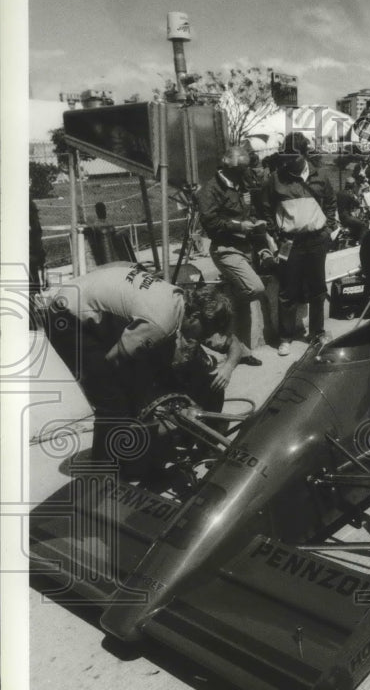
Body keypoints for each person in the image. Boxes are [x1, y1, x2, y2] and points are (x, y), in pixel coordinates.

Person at [43, 262, 253, 474]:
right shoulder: (161, 323)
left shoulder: (178, 299)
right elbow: (114, 360)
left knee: (136, 386)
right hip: (65, 318)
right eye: (202, 332)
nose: (202, 339)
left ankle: (132, 451)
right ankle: (102, 475)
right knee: (112, 401)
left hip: (86, 297)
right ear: (195, 317)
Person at [255, 131, 337, 356]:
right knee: (287, 291)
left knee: (318, 290)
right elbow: (265, 209)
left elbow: (331, 203)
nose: (288, 161)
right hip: (289, 243)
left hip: (316, 241)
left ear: (304, 154)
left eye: (294, 157)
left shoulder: (320, 176)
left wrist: (328, 230)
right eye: (286, 157)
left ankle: (317, 333)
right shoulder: (276, 179)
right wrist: (275, 233)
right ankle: (285, 337)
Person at [198, 146, 269, 306]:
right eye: (241, 170)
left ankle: (230, 289)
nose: (244, 173)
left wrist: (255, 222)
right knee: (256, 288)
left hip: (246, 247)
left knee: (253, 295)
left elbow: (247, 211)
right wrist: (239, 226)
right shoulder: (210, 189)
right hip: (226, 249)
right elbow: (210, 222)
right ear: (229, 168)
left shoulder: (241, 185)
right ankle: (218, 302)